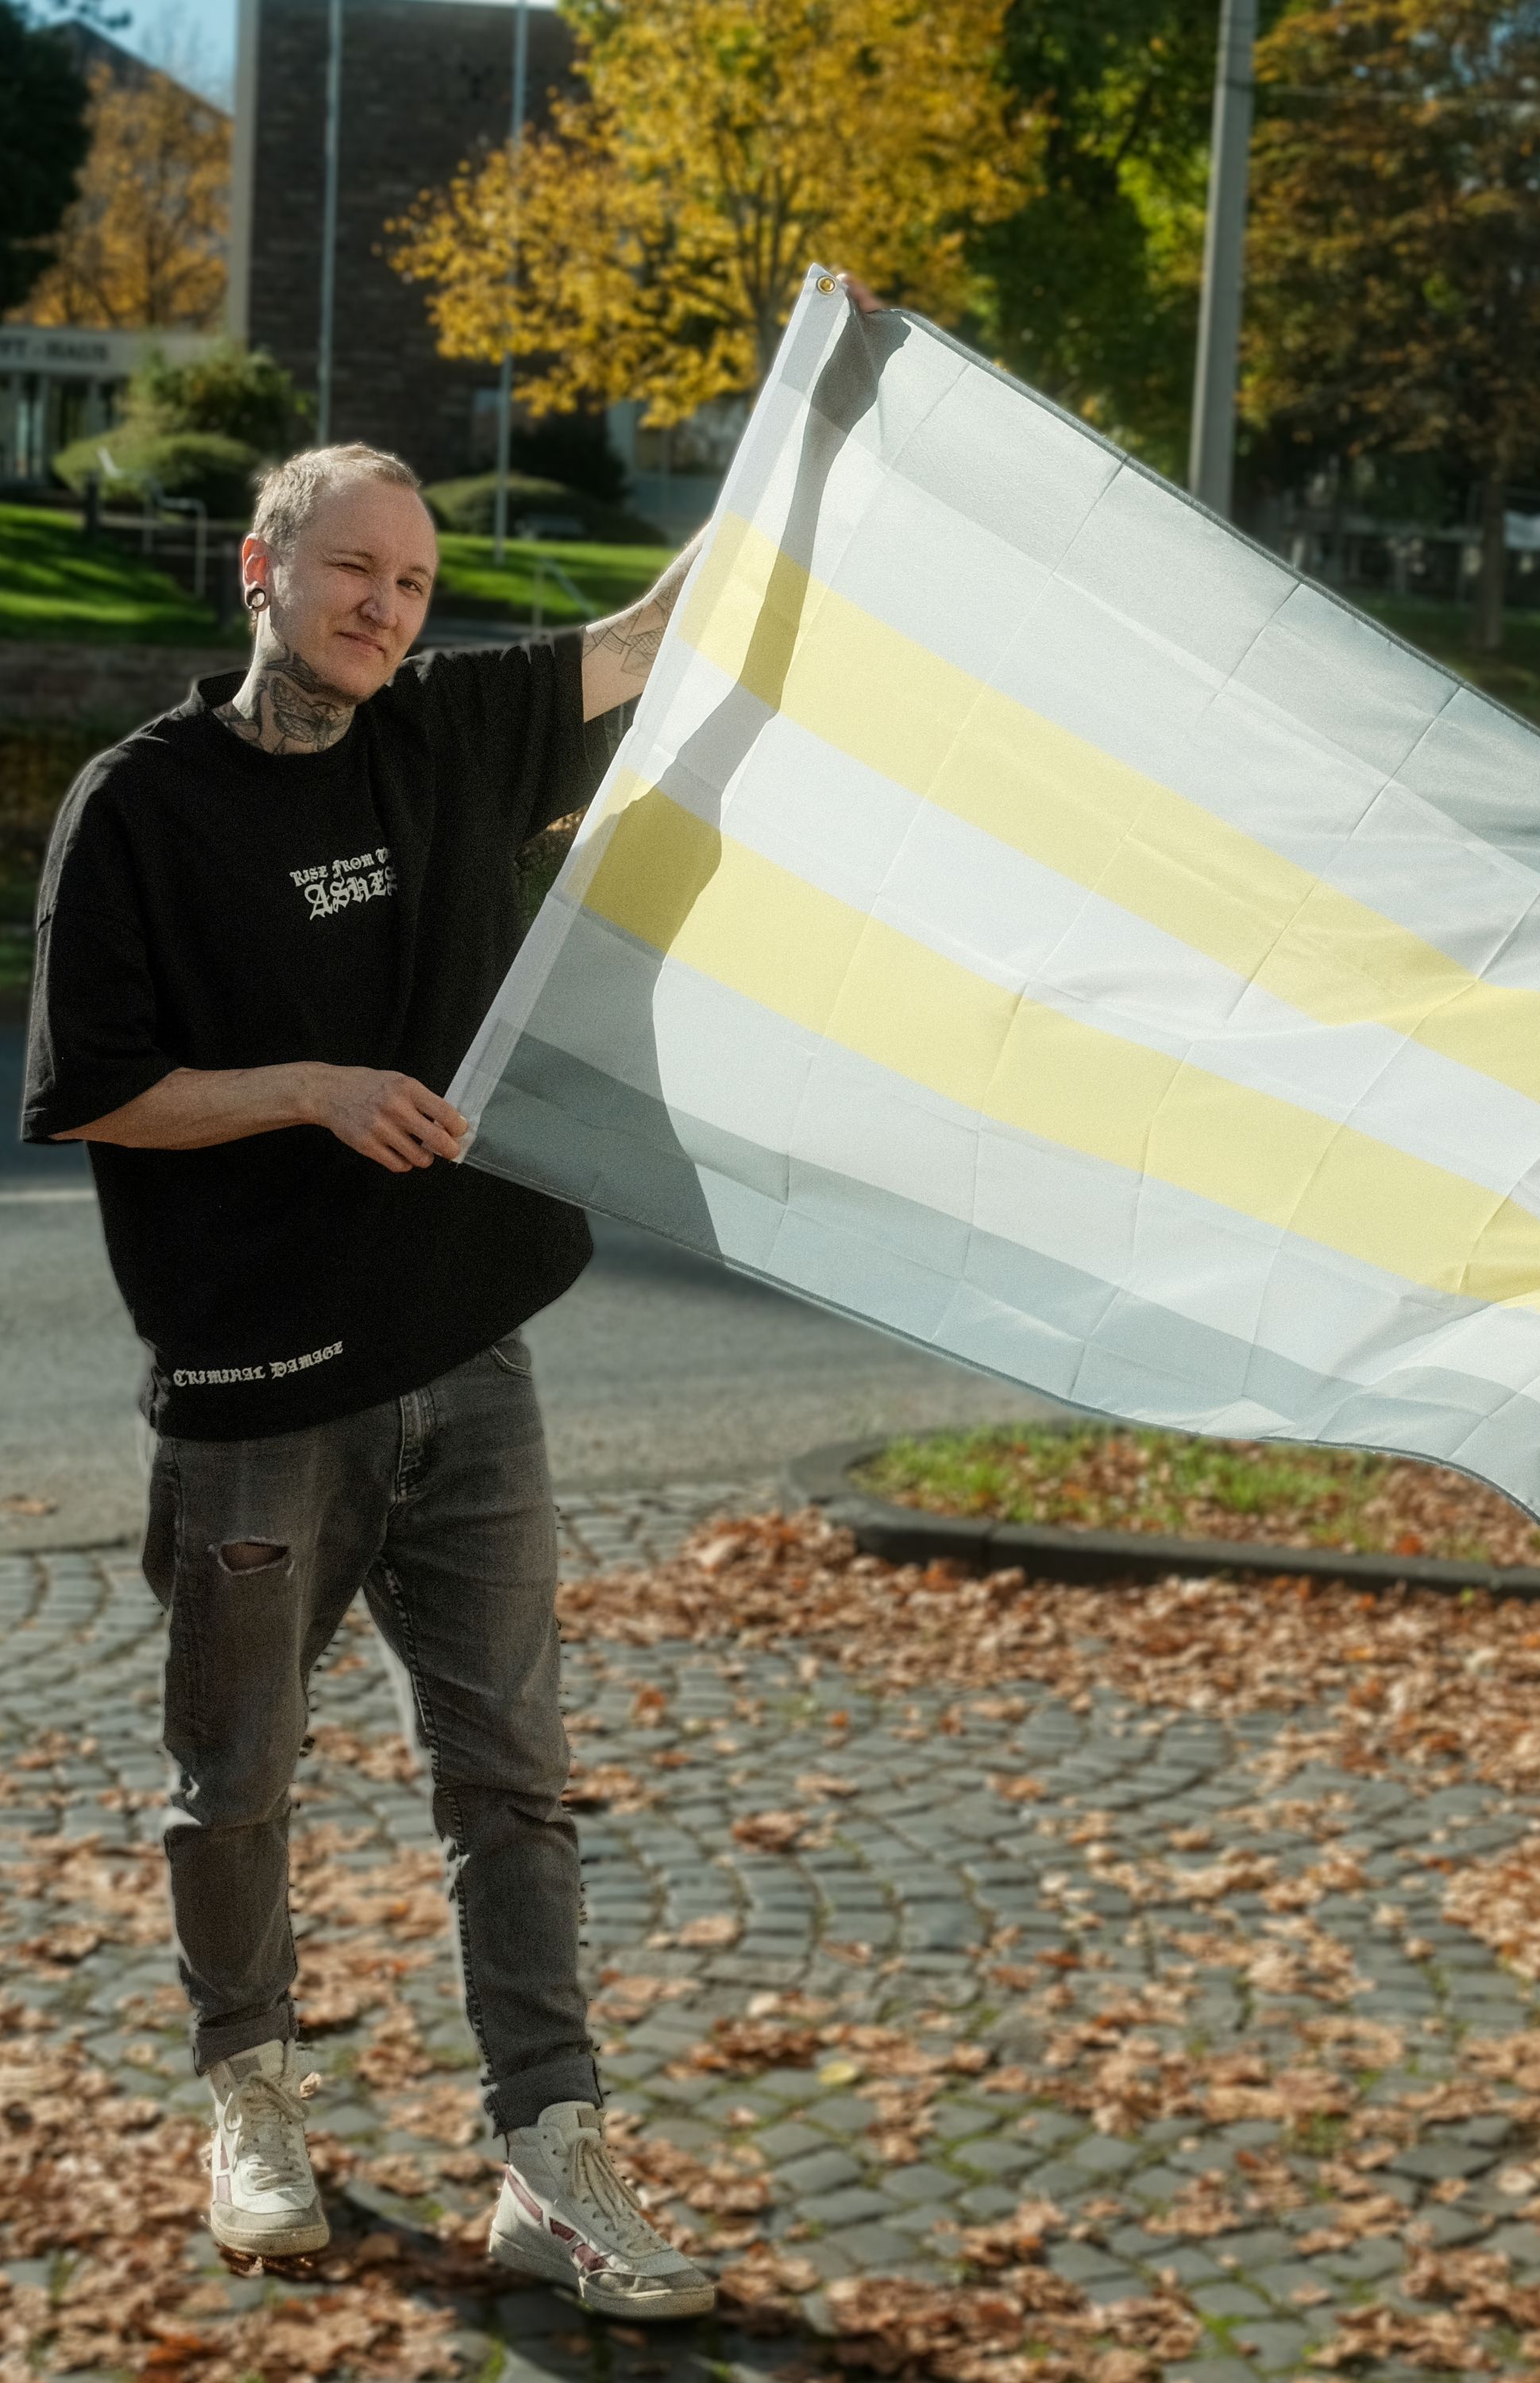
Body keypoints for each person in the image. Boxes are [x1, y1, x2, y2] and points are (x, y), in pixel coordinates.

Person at [24, 271, 880, 2309]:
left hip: (467, 1362)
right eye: (351, 571)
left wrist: (812, 429)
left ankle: (552, 2157)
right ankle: (251, 2102)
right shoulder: (141, 807)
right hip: (253, 1387)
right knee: (234, 1782)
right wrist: (310, 1088)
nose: (388, 608)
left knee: (511, 1777)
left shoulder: (451, 735)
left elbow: (656, 639)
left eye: (411, 579)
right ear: (263, 569)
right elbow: (103, 1095)